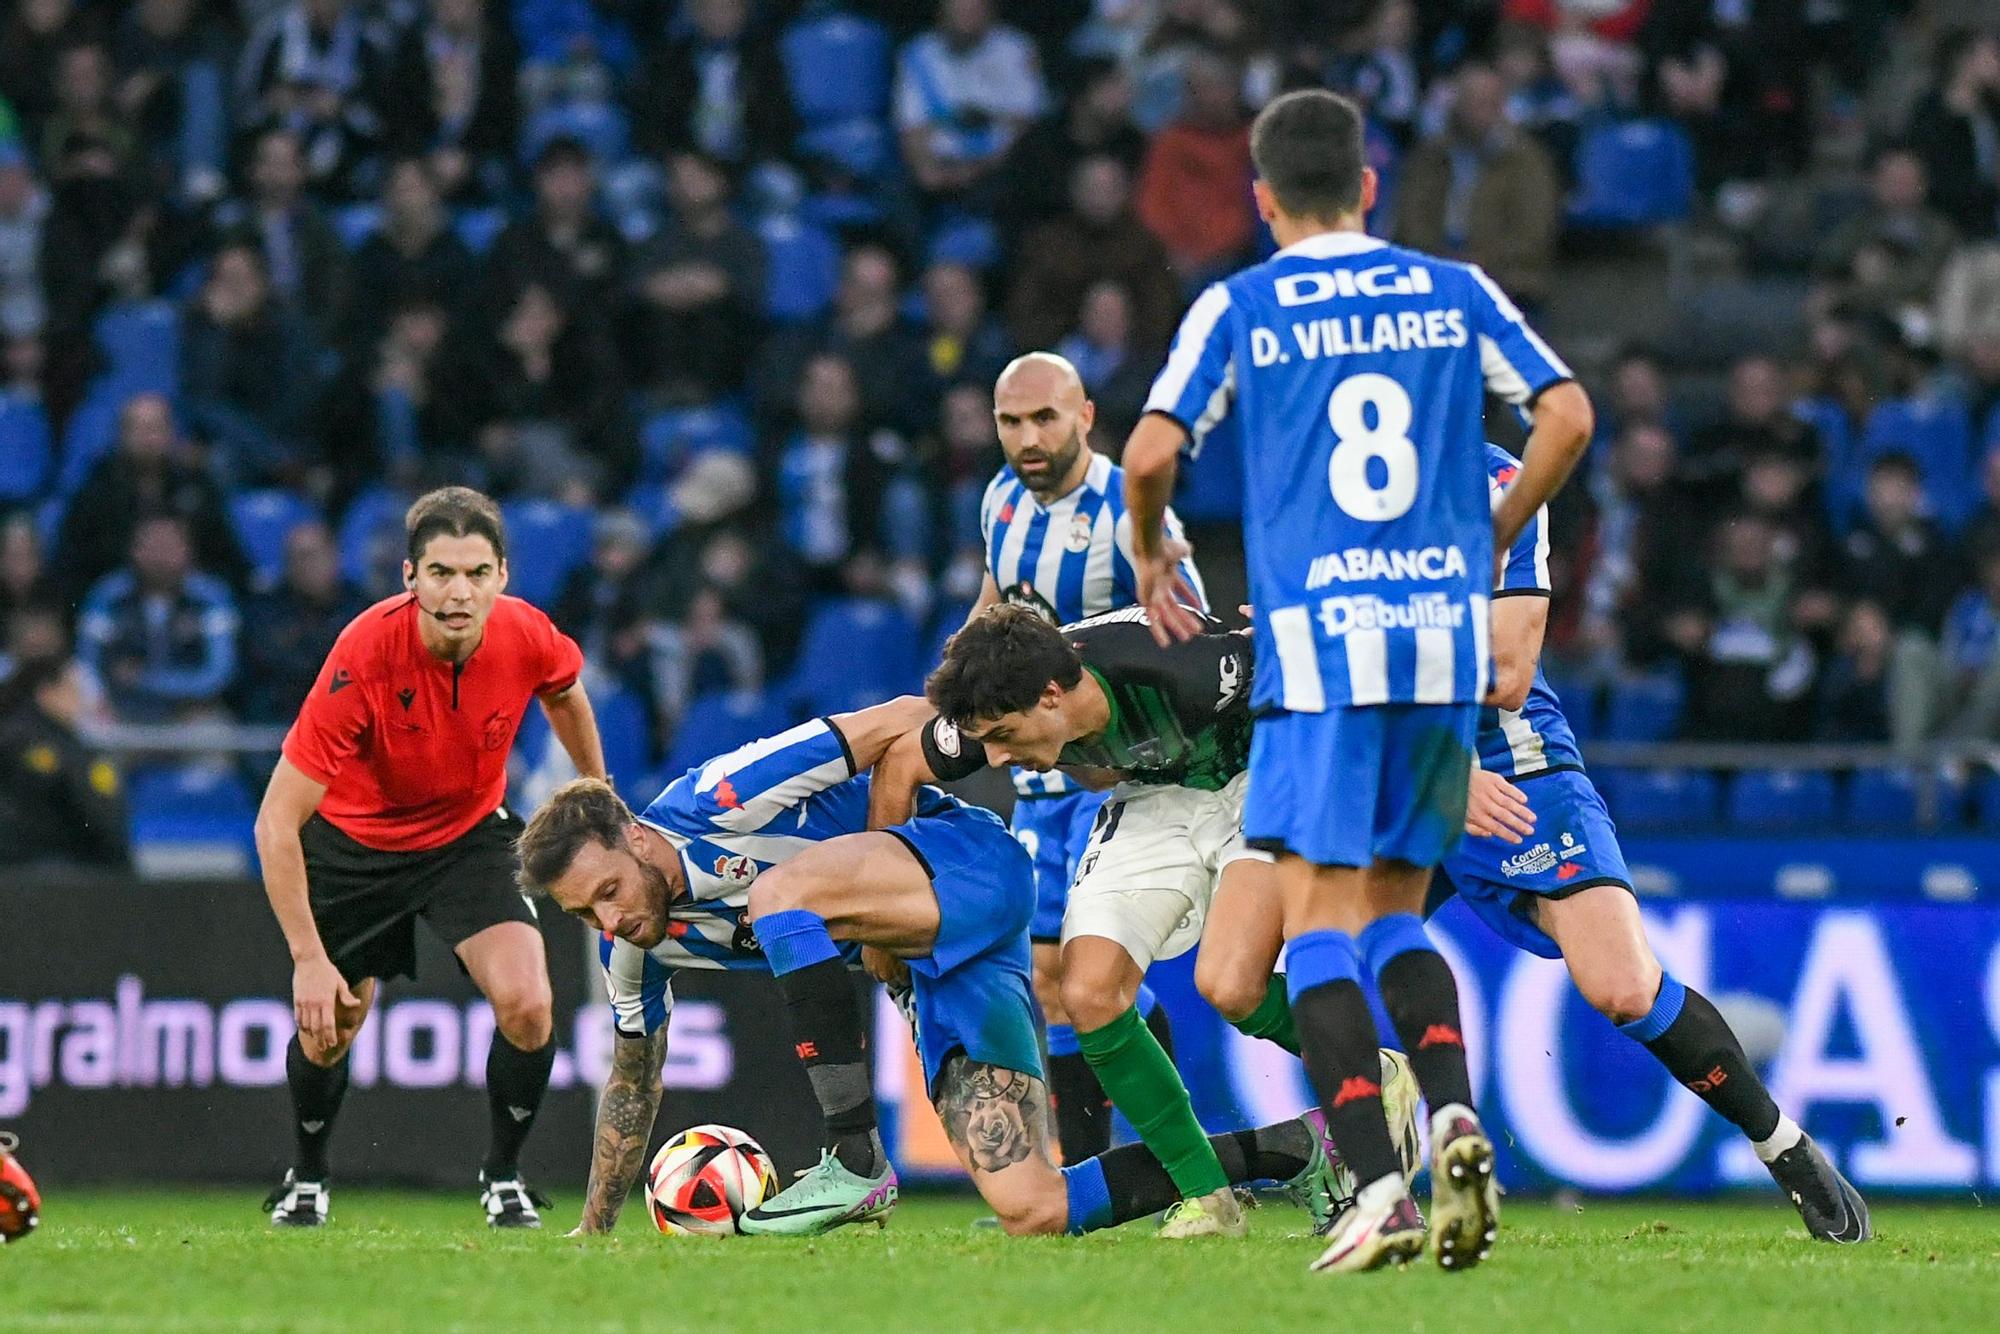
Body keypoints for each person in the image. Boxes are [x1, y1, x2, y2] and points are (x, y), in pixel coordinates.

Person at [1121, 88, 1594, 1274]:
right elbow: (1567, 416)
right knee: (1389, 901)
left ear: (1262, 196)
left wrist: (1146, 543)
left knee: (1318, 913)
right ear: (1371, 187)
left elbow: (1147, 451)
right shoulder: (1453, 290)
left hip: (1321, 650)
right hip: (1437, 649)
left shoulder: (1240, 302)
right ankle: (1452, 1114)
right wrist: (1500, 531)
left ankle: (1379, 1184)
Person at [517, 702, 1347, 1240]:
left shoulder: (722, 797)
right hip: (936, 962)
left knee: (777, 897)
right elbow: (634, 1076)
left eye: (609, 893)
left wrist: (883, 839)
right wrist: (595, 1229)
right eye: (586, 915)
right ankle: (1297, 1150)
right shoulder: (633, 946)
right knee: (1033, 1204)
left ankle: (855, 1158)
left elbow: (910, 718)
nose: (611, 920)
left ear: (632, 834)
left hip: (970, 866)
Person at [1428, 443, 1871, 1243]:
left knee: (1623, 986)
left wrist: (1356, 661)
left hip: (1510, 766)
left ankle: (1786, 1148)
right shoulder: (1327, 481)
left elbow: (1510, 669)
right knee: (1284, 960)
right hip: (1393, 766)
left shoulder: (1495, 482)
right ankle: (1337, 1168)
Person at [878, 603, 1423, 1238]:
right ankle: (1207, 1197)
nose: (994, 759)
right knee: (1087, 993)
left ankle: (1375, 1071)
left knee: (1232, 987)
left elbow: (1319, 672)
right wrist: (884, 897)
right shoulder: (999, 695)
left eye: (1003, 735)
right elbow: (900, 767)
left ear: (1052, 696)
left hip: (1263, 779)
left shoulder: (1183, 665)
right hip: (1154, 792)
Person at [252, 487, 607, 1230]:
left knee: (531, 1006)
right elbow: (276, 822)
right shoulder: (363, 653)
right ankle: (307, 1176)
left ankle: (503, 1176)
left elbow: (566, 693)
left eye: (476, 573)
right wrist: (306, 959)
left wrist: (593, 790)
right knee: (332, 1028)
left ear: (503, 575)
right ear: (409, 578)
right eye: (441, 572)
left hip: (467, 837)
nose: (459, 591)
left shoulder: (527, 633)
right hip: (355, 847)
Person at [961, 352, 1202, 1170]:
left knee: (1090, 977)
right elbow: (998, 598)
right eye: (1010, 422)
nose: (1028, 439)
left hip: (1117, 777)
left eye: (1045, 419)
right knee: (1050, 974)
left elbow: (1191, 633)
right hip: (1039, 778)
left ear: (1086, 417)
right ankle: (1092, 1175)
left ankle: (1173, 1155)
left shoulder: (1129, 513)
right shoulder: (1000, 501)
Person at [0, 652, 128, 869]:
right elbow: (97, 814)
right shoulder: (37, 744)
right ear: (47, 693)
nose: (82, 699)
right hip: (52, 868)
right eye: (73, 690)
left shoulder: (16, 736)